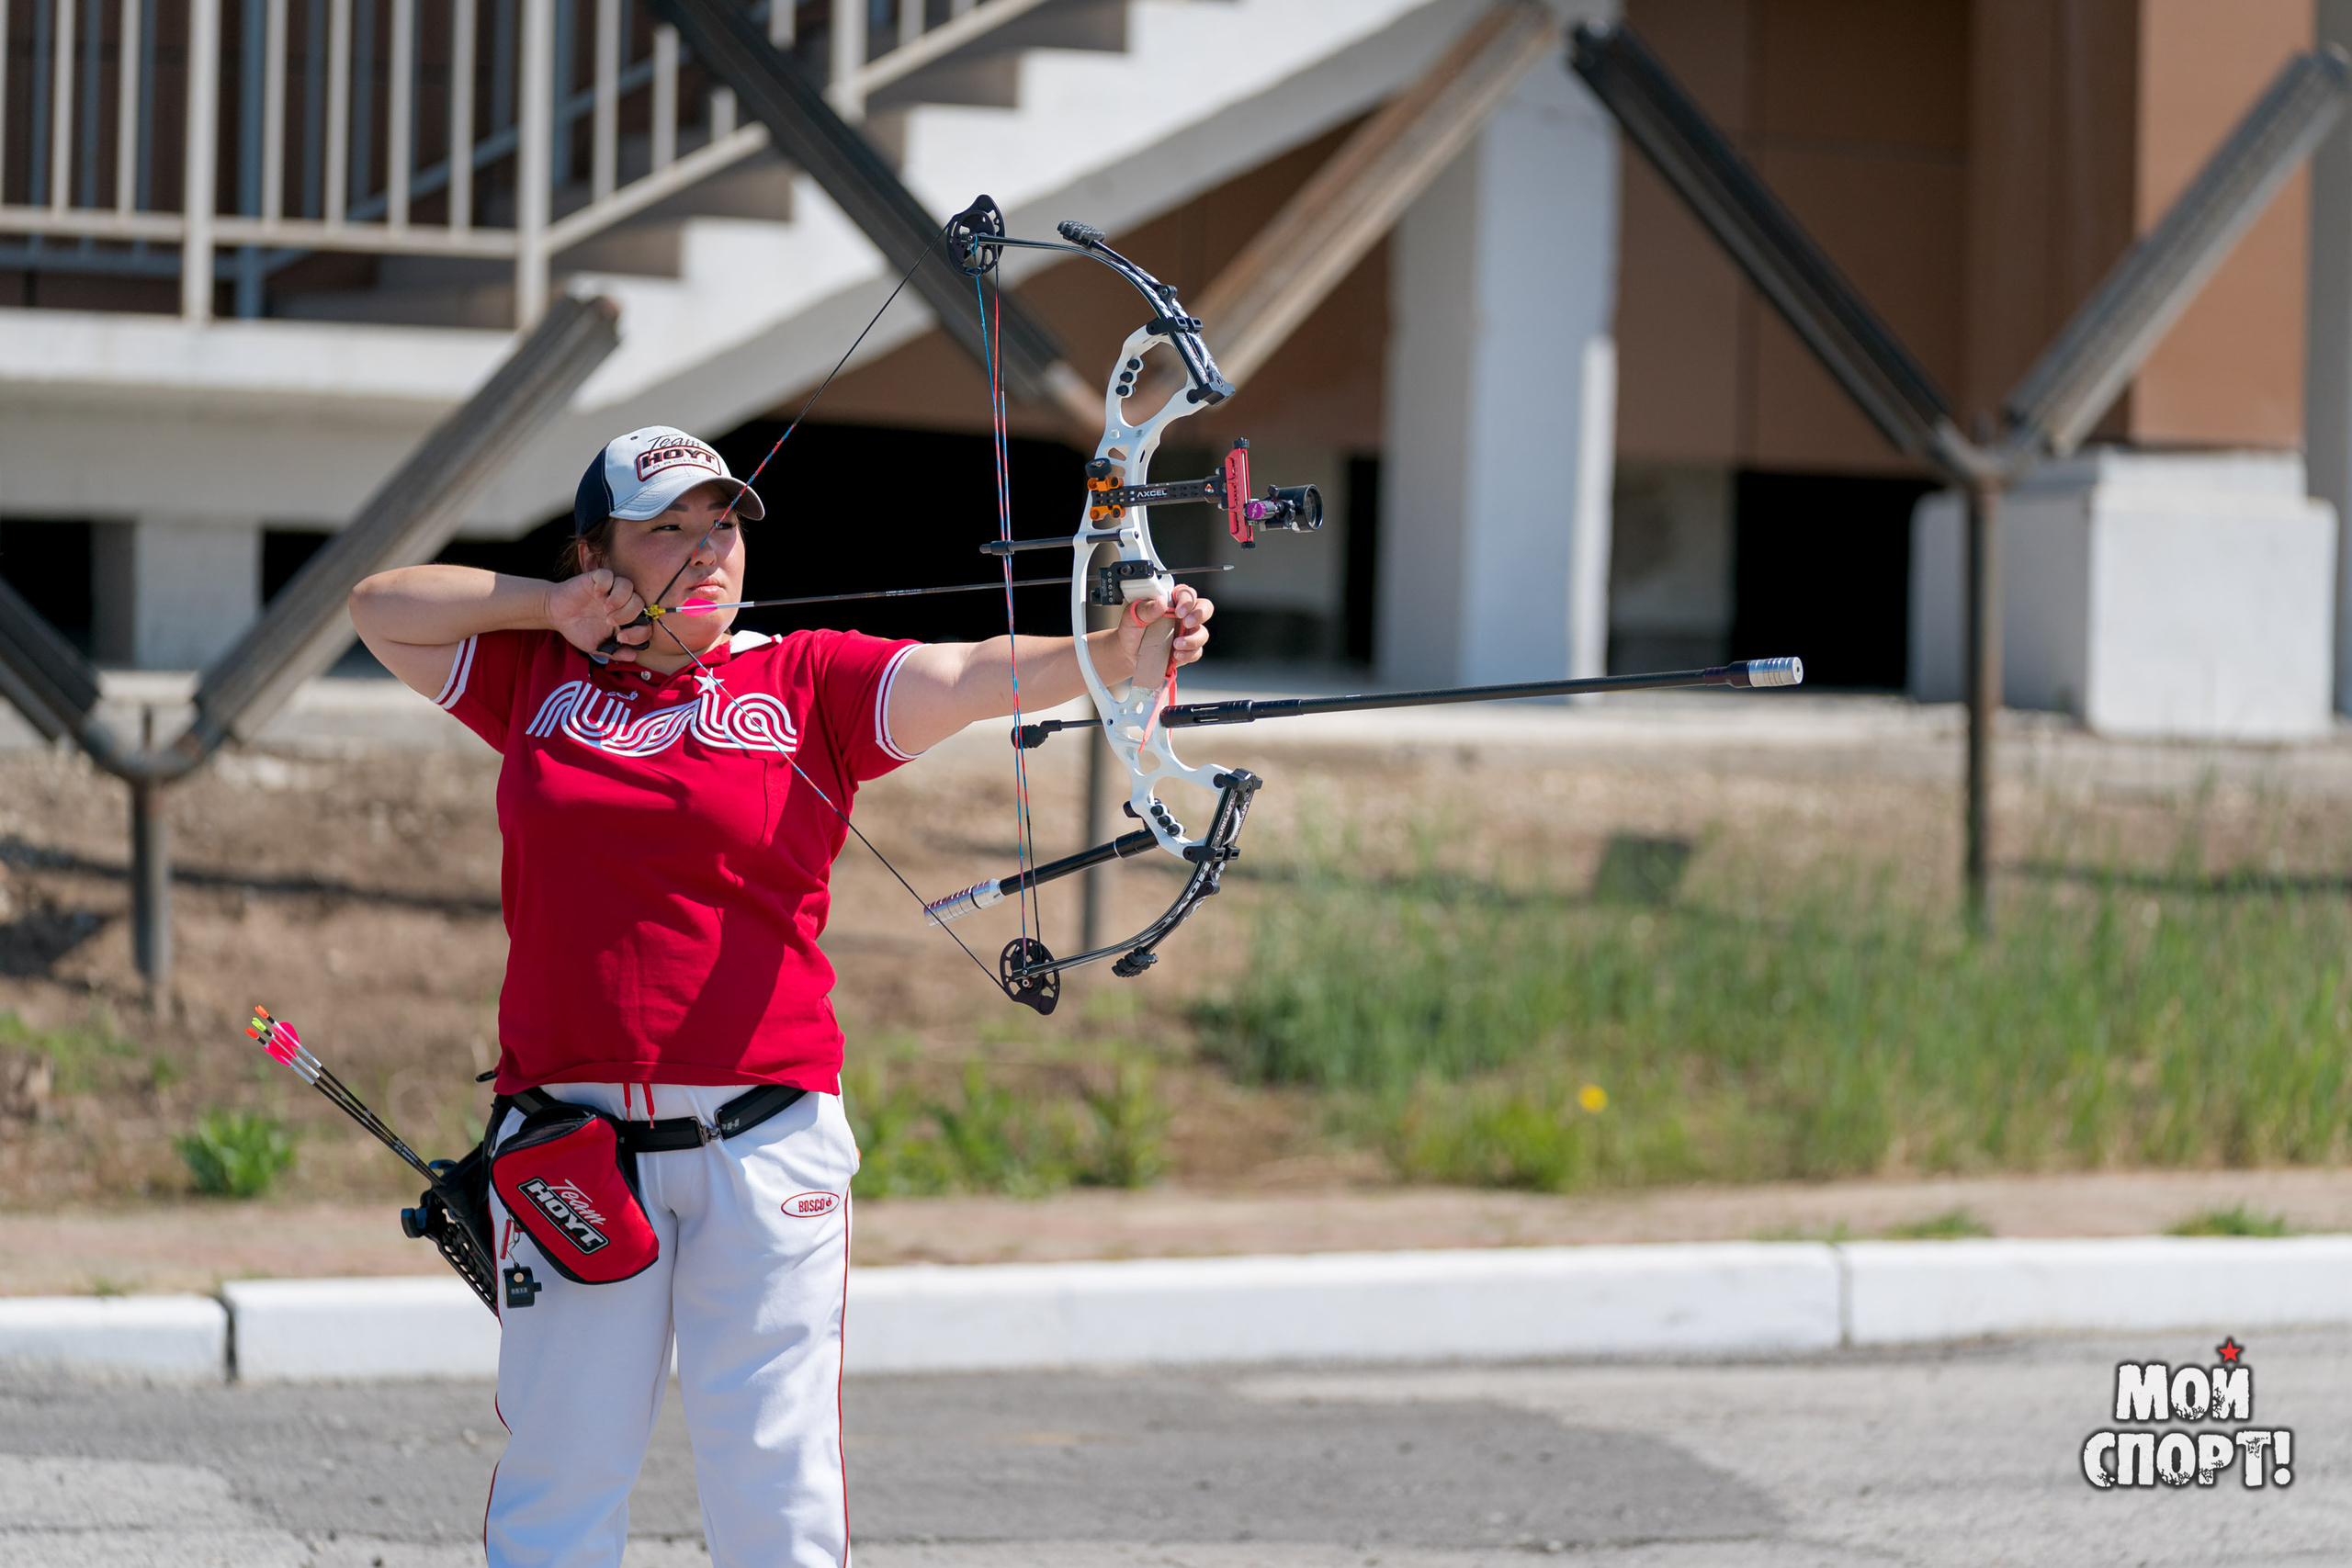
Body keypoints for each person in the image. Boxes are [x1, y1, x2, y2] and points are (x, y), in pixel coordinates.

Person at [347, 424, 1213, 1568]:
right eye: (668, 529)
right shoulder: (533, 676)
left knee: (774, 1474)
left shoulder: (803, 678)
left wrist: (1114, 653)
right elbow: (380, 604)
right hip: (572, 1150)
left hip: (764, 1148)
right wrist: (549, 606)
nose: (708, 551)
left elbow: (963, 673)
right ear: (595, 552)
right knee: (561, 1471)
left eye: (724, 527)